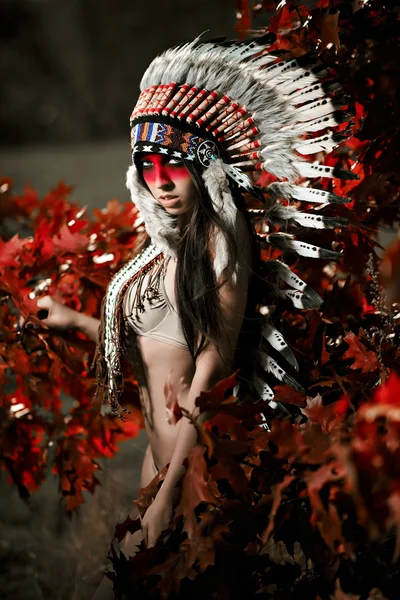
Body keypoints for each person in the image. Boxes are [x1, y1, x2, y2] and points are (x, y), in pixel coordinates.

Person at [32, 34, 355, 598]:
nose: (160, 182)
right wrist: (70, 320)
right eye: (148, 168)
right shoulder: (163, 250)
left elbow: (208, 374)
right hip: (158, 476)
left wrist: (165, 501)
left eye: (175, 167)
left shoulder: (219, 245)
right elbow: (153, 356)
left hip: (197, 481)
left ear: (204, 170)